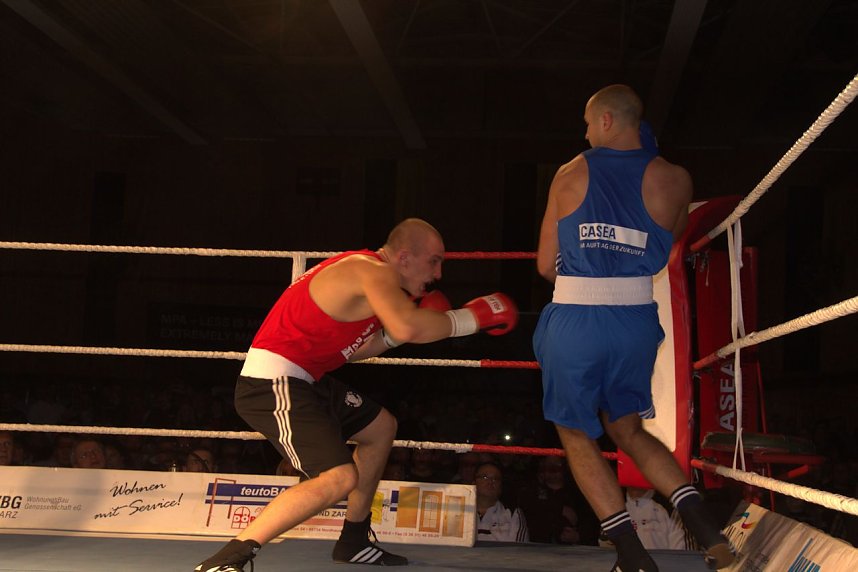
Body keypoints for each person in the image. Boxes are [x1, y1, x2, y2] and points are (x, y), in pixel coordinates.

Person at [194, 218, 518, 571]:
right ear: (404, 257)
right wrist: (472, 318)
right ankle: (226, 559)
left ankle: (353, 540)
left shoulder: (373, 281)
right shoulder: (371, 270)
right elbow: (407, 325)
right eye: (434, 261)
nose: (438, 274)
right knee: (338, 477)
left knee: (380, 427)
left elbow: (356, 350)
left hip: (306, 379)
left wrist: (397, 333)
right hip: (271, 382)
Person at [533, 84, 734, 571]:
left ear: (605, 121)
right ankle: (708, 529)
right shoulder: (676, 180)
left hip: (577, 318)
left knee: (575, 432)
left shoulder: (570, 172)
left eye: (587, 123)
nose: (585, 133)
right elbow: (668, 245)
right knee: (628, 428)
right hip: (635, 320)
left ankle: (631, 554)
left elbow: (544, 265)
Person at [475, 461, 529, 543]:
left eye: (496, 479)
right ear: (473, 482)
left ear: (501, 486)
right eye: (485, 477)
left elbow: (518, 548)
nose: (490, 482)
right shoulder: (461, 511)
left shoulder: (513, 513)